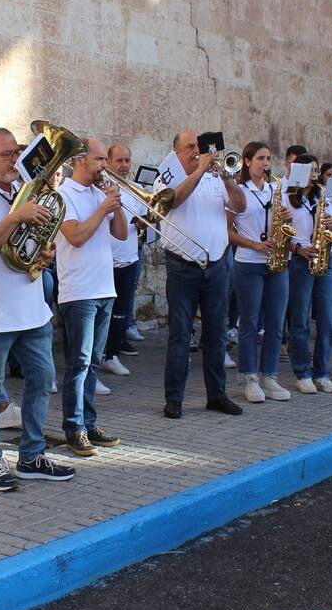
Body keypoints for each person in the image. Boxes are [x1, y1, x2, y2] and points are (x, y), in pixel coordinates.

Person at [0, 127, 74, 490]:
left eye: (16, 153)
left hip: (31, 306)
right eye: (6, 155)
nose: (14, 161)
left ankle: (31, 456)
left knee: (42, 380)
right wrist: (14, 218)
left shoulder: (21, 194)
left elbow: (31, 247)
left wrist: (44, 251)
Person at [154, 130, 246, 418]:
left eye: (199, 147)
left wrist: (227, 178)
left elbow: (240, 207)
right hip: (183, 267)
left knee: (217, 335)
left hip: (218, 266)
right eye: (190, 147)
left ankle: (217, 395)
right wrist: (200, 170)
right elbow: (174, 201)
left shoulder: (217, 178)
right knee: (180, 336)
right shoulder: (166, 178)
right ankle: (174, 400)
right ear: (178, 152)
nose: (198, 151)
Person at [57, 139, 126, 456]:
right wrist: (102, 208)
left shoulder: (101, 194)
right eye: (100, 159)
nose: (105, 165)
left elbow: (121, 235)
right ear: (80, 160)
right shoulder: (63, 195)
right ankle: (73, 427)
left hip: (104, 288)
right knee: (78, 363)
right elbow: (76, 236)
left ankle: (88, 421)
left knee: (94, 363)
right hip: (79, 291)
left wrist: (117, 205)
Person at [227, 142, 292, 402]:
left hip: (277, 262)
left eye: (268, 159)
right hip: (248, 262)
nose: (266, 164)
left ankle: (270, 375)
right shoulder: (238, 190)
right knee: (250, 323)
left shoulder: (275, 188)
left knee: (276, 323)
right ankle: (249, 377)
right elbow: (227, 231)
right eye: (261, 159)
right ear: (246, 161)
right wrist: (254, 243)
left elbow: (284, 222)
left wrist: (286, 218)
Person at [285, 154, 332, 394]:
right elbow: (278, 232)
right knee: (299, 320)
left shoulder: (322, 198)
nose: (314, 174)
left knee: (328, 321)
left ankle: (322, 372)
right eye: (310, 170)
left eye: (317, 170)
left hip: (323, 259)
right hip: (299, 261)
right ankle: (302, 372)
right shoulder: (287, 198)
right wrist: (297, 248)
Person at [100, 144, 146, 375]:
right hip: (104, 260)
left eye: (127, 160)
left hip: (129, 259)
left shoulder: (137, 190)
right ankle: (96, 355)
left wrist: (143, 223)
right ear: (107, 162)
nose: (124, 165)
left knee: (121, 311)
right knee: (102, 313)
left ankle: (113, 355)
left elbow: (141, 222)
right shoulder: (99, 189)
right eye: (119, 160)